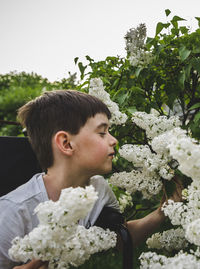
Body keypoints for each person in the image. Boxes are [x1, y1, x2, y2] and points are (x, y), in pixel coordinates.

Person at [0, 90, 181, 269]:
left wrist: (161, 213)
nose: (114, 140)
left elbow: (119, 238)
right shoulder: (14, 212)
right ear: (66, 143)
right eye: (102, 133)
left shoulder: (99, 188)